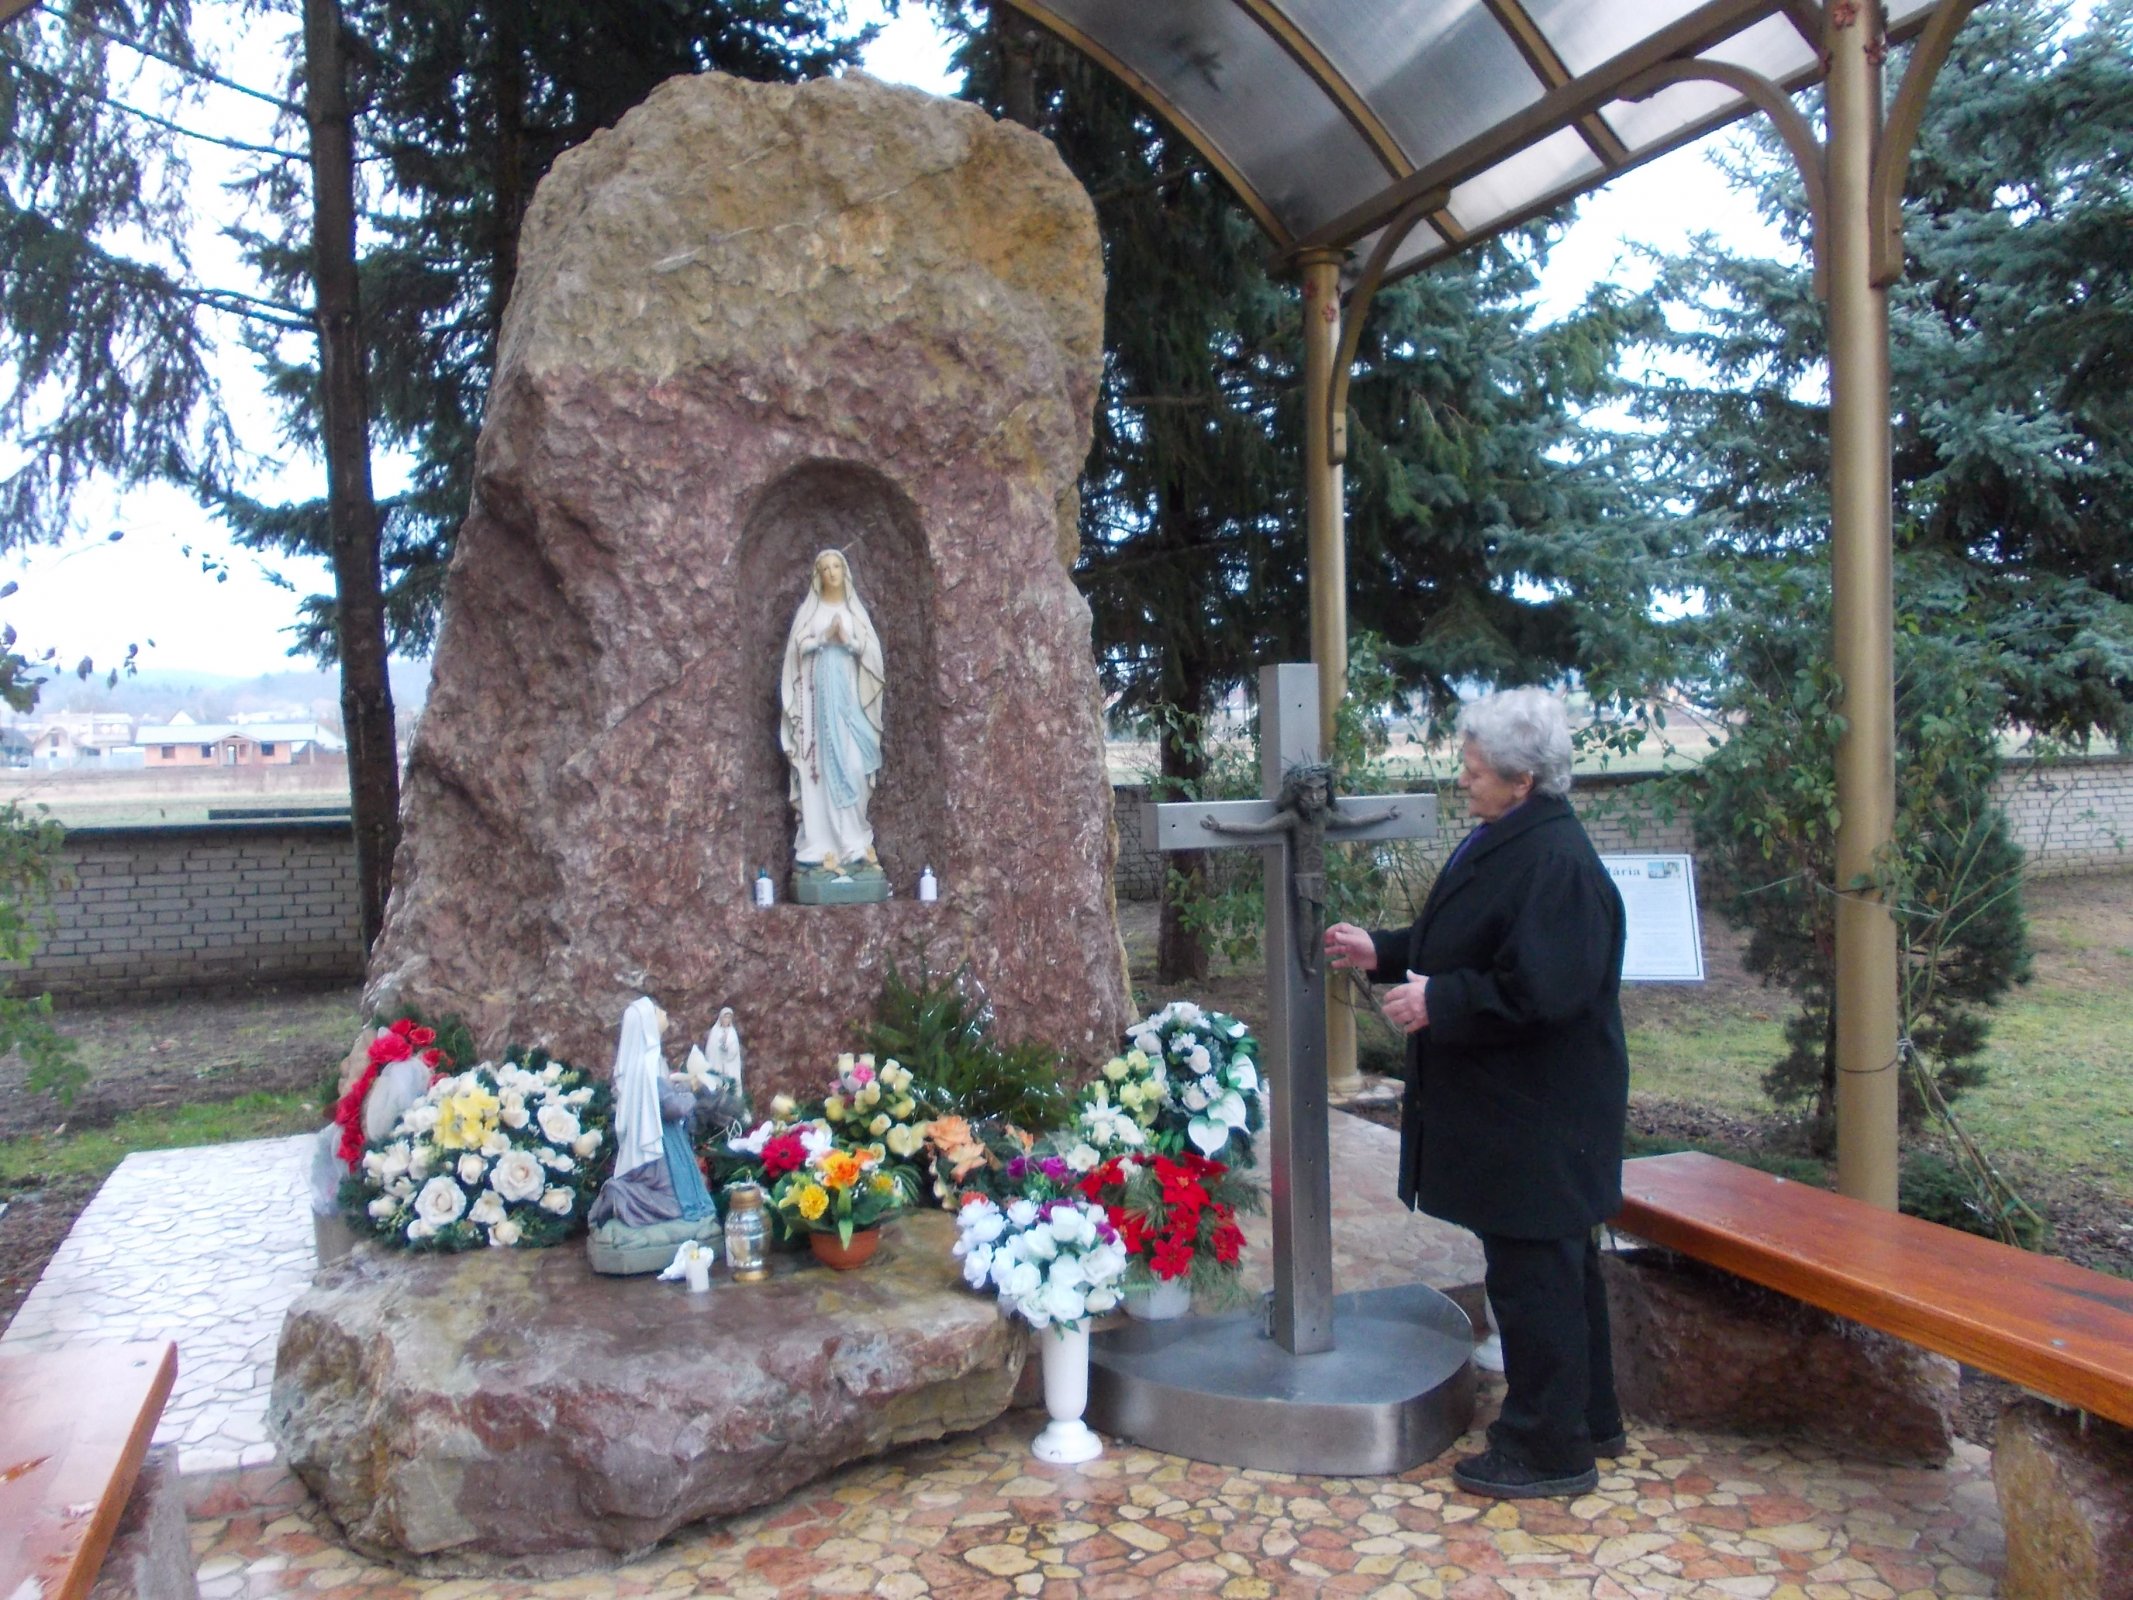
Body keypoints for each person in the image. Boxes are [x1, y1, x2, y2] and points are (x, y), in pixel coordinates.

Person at [1325, 687, 1629, 1500]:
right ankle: (1587, 1417)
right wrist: (1384, 951)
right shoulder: (1512, 838)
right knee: (1554, 1269)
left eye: (1475, 770)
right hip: (1523, 1110)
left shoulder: (1555, 864)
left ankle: (1546, 1449)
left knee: (1536, 1281)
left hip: (1540, 1113)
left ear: (1523, 780)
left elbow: (1544, 990)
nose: (1463, 780)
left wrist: (1441, 1001)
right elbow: (1472, 942)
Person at [779, 548, 885, 873]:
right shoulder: (810, 612)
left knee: (855, 764)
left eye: (836, 566)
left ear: (845, 571)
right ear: (818, 576)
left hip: (849, 701)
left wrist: (848, 641)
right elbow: (795, 652)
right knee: (820, 771)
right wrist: (823, 638)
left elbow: (872, 656)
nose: (831, 573)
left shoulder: (854, 612)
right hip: (817, 709)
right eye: (824, 568)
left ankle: (855, 841)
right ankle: (823, 845)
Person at [589, 996, 716, 1228]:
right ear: (647, 1024)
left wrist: (681, 1088)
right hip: (661, 1145)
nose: (664, 1013)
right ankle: (621, 1196)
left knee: (684, 1192)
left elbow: (661, 1096)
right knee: (678, 1200)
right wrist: (691, 1094)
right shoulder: (647, 1065)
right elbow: (671, 1107)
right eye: (658, 1011)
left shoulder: (642, 1063)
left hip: (662, 1140)